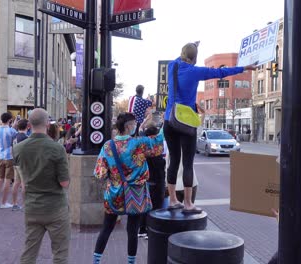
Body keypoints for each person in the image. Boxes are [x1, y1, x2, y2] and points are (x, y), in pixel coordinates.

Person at [164, 41, 257, 213]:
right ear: (194, 58)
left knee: (174, 161)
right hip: (185, 122)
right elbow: (220, 72)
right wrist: (244, 68)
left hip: (169, 121)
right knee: (188, 163)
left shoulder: (172, 66)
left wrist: (191, 47)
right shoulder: (195, 71)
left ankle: (172, 200)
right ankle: (188, 204)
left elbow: (181, 58)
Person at [93, 113, 164, 264]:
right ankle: (131, 262)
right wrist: (165, 121)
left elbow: (99, 174)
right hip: (136, 193)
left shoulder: (107, 146)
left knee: (107, 228)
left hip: (114, 193)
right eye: (134, 124)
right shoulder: (139, 143)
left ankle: (96, 261)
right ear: (128, 126)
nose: (136, 127)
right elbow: (159, 141)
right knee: (133, 230)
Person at [13, 108, 70, 264]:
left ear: (29, 124)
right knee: (60, 254)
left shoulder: (18, 148)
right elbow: (64, 183)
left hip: (32, 206)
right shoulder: (57, 148)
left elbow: (22, 180)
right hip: (55, 207)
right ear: (47, 123)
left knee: (29, 252)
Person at [138, 121, 167, 239]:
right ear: (154, 136)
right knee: (156, 207)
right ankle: (151, 231)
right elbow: (160, 169)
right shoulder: (156, 152)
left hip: (145, 182)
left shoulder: (142, 148)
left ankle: (142, 229)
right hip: (156, 182)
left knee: (144, 206)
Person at [0, 112, 17, 209]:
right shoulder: (12, 130)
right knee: (7, 179)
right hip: (9, 156)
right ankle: (4, 202)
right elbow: (14, 137)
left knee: (0, 179)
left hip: (0, 156)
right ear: (10, 120)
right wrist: (13, 126)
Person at [11, 119, 29, 211]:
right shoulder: (26, 137)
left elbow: (12, 149)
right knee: (24, 184)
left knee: (16, 183)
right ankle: (25, 205)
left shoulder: (14, 136)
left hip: (15, 162)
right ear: (27, 126)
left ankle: (14, 203)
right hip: (23, 163)